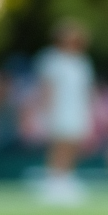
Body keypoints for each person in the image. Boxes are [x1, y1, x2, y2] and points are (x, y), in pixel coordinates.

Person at [35, 19, 94, 204]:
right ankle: (53, 181)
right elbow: (47, 88)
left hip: (77, 108)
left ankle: (66, 178)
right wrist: (45, 111)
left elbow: (87, 90)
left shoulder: (82, 62)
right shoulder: (51, 59)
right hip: (59, 109)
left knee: (72, 144)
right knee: (59, 144)